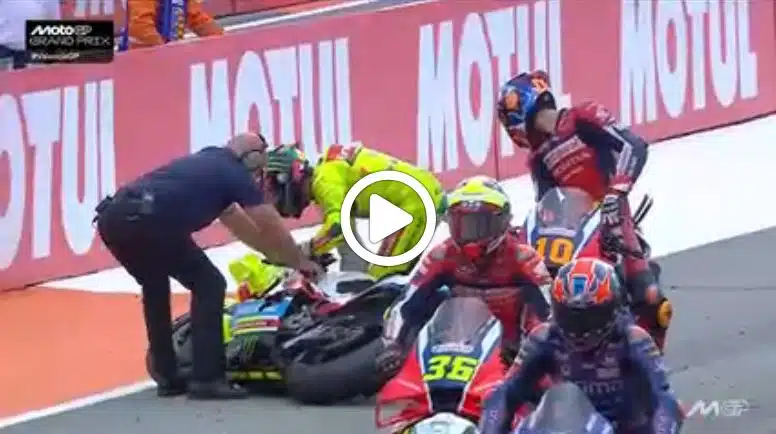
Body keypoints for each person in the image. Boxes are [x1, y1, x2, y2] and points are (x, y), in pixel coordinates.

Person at [94, 132, 322, 400]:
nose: (261, 173)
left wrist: (280, 257)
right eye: (261, 161)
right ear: (252, 158)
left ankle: (168, 376)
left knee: (155, 286)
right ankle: (208, 379)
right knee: (209, 285)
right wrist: (300, 261)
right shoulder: (234, 173)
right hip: (150, 219)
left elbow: (246, 229)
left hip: (114, 219)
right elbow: (268, 222)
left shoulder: (212, 163)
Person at [497, 70, 672, 352]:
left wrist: (617, 192)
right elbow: (546, 205)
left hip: (614, 221)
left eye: (508, 117)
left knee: (651, 299)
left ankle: (652, 365)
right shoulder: (538, 158)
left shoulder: (583, 116)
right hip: (573, 233)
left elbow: (634, 145)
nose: (509, 128)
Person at [479, 258, 684, 434]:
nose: (580, 330)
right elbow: (504, 393)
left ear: (612, 310)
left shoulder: (633, 340)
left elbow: (666, 402)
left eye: (590, 318)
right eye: (570, 317)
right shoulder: (544, 337)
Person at [375, 176, 552, 378]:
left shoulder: (523, 256)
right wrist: (393, 345)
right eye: (462, 223)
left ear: (502, 222)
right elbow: (405, 304)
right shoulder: (442, 254)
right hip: (450, 354)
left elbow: (550, 311)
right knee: (427, 301)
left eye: (480, 224)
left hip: (512, 356)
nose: (470, 234)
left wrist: (538, 351)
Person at [263, 141, 447, 279]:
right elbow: (351, 252)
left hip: (417, 201)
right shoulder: (326, 180)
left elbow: (337, 229)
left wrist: (305, 250)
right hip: (417, 195)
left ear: (291, 177)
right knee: (373, 283)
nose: (274, 199)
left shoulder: (324, 182)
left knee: (382, 285)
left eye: (274, 190)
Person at [124, 0, 223, 49]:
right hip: (142, 58)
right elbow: (141, 26)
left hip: (167, 52)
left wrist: (224, 42)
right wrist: (167, 53)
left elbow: (197, 18)